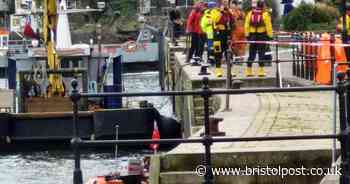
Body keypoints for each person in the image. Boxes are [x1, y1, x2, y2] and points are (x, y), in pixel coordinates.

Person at [201, 0, 233, 77]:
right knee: (217, 52)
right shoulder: (214, 11)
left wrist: (229, 13)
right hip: (217, 35)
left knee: (228, 53)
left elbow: (232, 21)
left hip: (226, 34)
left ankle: (230, 71)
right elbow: (215, 20)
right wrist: (221, 12)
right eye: (224, 2)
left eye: (226, 2)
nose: (225, 3)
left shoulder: (228, 11)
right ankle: (218, 70)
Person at [244, 0, 273, 77]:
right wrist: (270, 36)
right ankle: (261, 72)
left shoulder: (250, 13)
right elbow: (268, 26)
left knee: (251, 53)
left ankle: (249, 71)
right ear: (263, 6)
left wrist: (247, 35)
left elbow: (246, 25)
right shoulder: (265, 14)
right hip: (262, 36)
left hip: (252, 36)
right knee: (261, 53)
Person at [229, 0, 246, 67]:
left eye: (240, 4)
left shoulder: (242, 13)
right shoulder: (232, 12)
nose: (239, 5)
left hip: (242, 32)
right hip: (235, 32)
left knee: (242, 46)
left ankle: (240, 59)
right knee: (234, 46)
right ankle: (236, 58)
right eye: (238, 4)